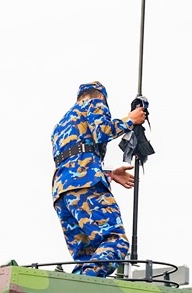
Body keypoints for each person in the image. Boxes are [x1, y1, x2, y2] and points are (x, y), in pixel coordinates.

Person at [50, 82, 147, 276]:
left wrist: (110, 174)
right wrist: (131, 119)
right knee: (115, 243)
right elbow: (102, 131)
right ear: (101, 97)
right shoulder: (95, 103)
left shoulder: (60, 125)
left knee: (87, 256)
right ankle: (83, 288)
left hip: (62, 191)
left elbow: (74, 156)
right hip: (86, 183)